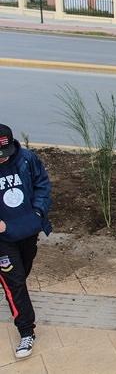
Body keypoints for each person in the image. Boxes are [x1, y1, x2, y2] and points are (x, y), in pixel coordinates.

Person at [0, 124, 52, 359]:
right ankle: (26, 331)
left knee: (24, 270)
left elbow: (42, 185)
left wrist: (38, 214)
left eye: (5, 154)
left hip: (28, 230)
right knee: (15, 282)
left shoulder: (27, 159)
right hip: (2, 238)